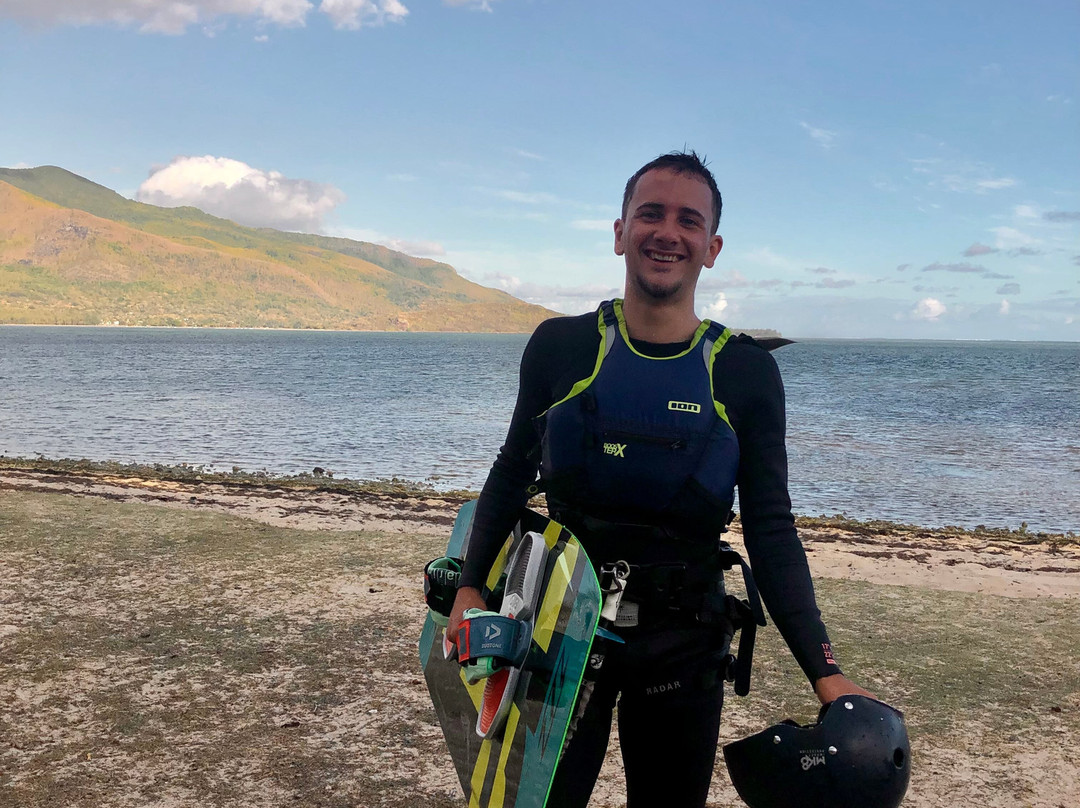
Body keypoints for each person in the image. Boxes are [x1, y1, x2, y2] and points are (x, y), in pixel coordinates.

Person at [447, 150, 873, 808]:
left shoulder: (744, 371)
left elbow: (769, 525)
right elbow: (512, 469)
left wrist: (827, 673)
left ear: (712, 246)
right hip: (557, 628)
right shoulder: (561, 346)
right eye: (650, 214)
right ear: (619, 231)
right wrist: (470, 587)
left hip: (683, 642)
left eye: (688, 220)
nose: (666, 232)